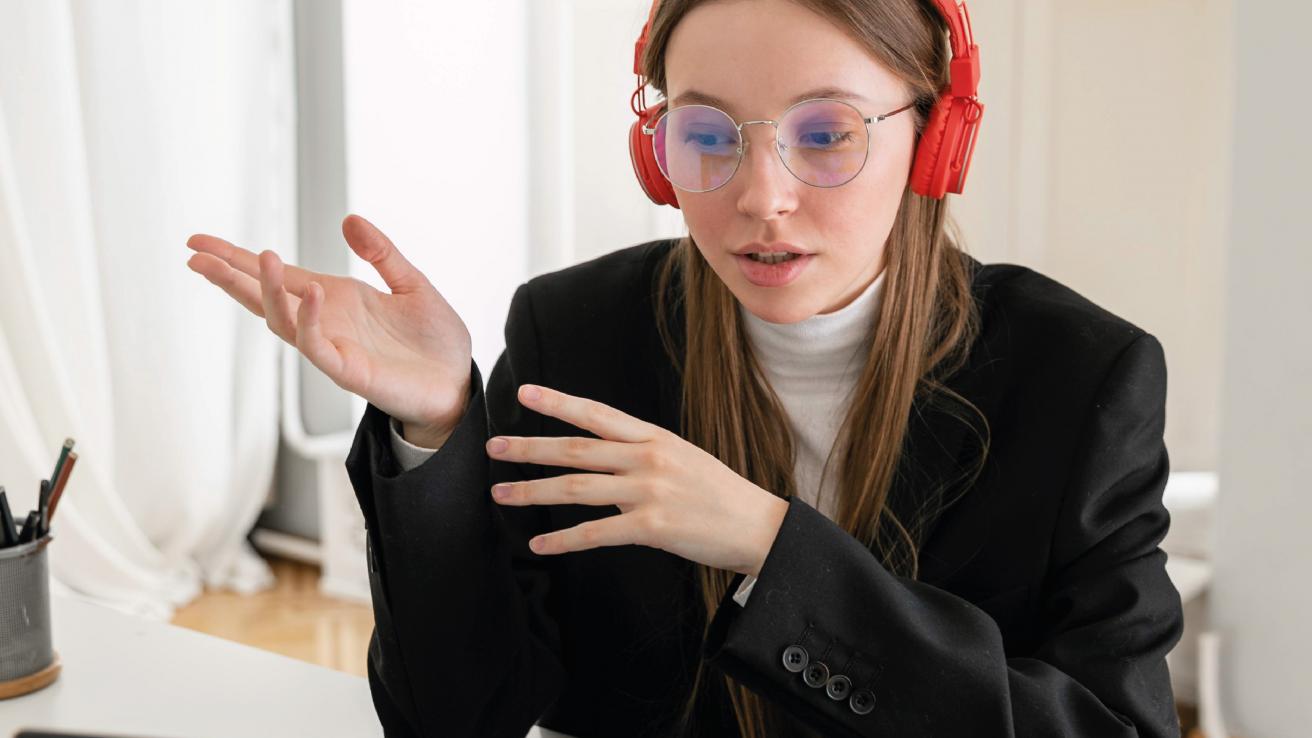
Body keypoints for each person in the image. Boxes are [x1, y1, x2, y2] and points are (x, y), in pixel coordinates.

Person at [183, 0, 1184, 736]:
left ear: (935, 140)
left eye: (826, 135)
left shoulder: (1082, 378)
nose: (761, 198)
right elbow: (456, 717)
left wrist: (766, 543)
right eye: (705, 135)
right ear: (657, 152)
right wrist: (441, 429)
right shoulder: (574, 333)